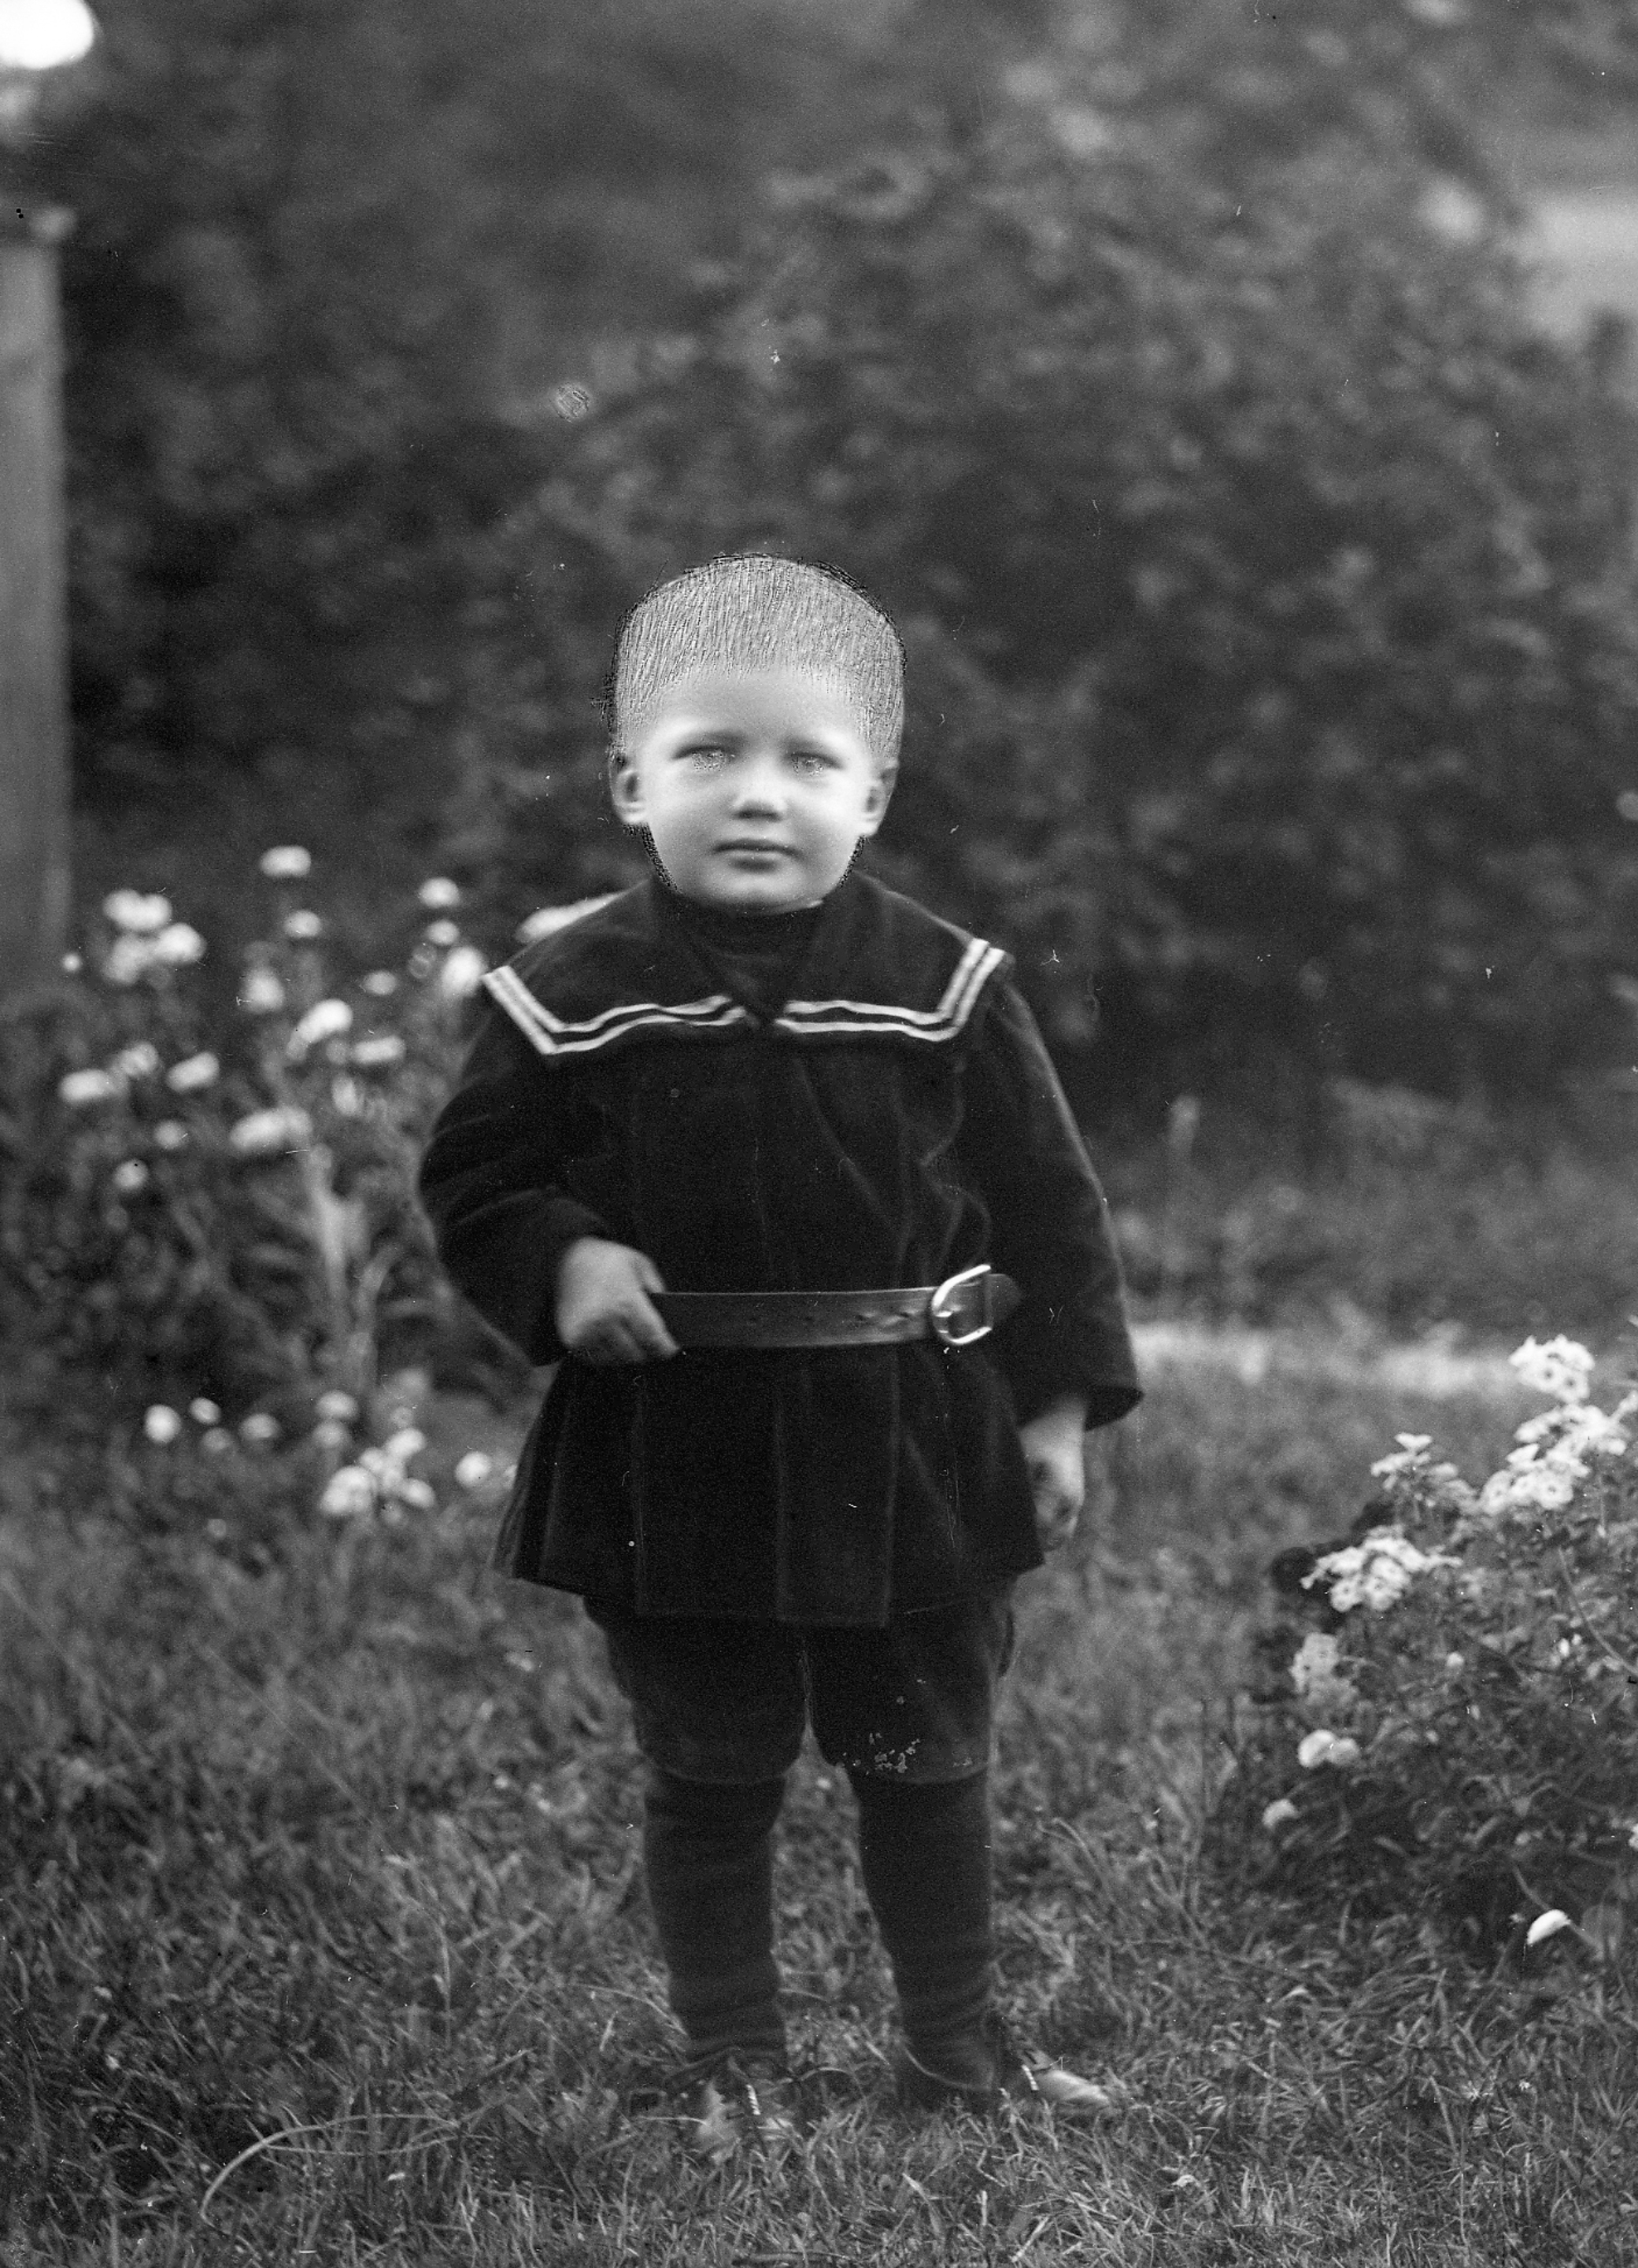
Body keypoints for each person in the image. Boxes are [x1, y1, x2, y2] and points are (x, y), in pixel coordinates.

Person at [417, 552, 1142, 2161]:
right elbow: (476, 1176)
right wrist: (564, 1256)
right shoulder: (567, 995)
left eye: (809, 759)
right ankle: (736, 2064)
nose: (759, 793)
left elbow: (1052, 1210)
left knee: (924, 1753)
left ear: (871, 794)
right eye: (709, 753)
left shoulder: (945, 989)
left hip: (913, 1430)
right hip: (676, 1440)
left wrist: (1059, 1411)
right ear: (631, 780)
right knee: (711, 1756)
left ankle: (956, 2046)